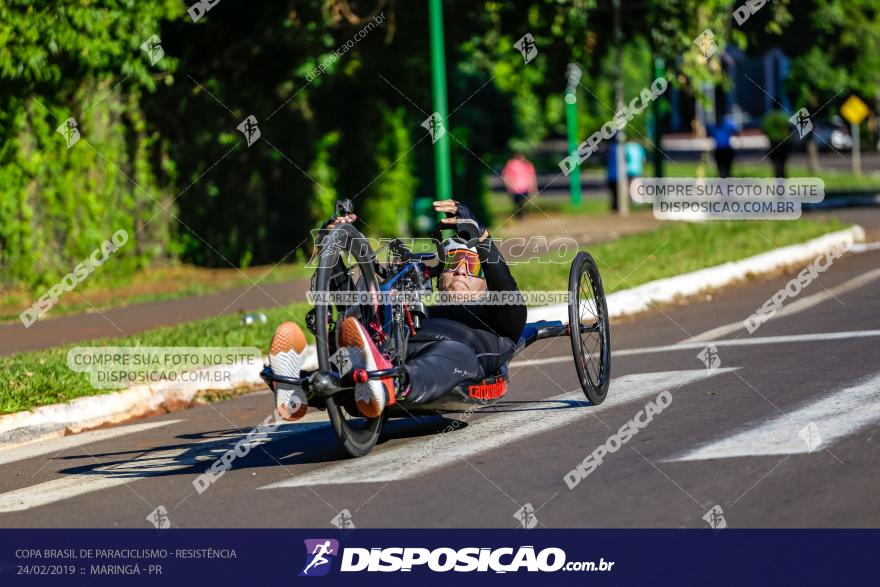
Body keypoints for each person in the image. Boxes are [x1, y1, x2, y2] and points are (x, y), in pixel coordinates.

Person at [268, 200, 527, 419]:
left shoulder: (498, 319)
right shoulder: (418, 310)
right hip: (388, 352)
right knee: (363, 318)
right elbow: (350, 306)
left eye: (472, 265)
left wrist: (482, 239)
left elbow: (510, 295)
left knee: (453, 353)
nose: (461, 268)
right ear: (439, 278)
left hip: (450, 356)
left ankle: (392, 384)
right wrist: (331, 247)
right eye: (453, 262)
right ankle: (298, 387)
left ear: (486, 283)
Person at [501, 152, 538, 218]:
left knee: (522, 202)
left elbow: (531, 176)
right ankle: (520, 214)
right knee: (518, 203)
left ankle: (522, 214)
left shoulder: (527, 164)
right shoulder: (511, 163)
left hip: (524, 187)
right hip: (515, 187)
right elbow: (507, 175)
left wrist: (533, 186)